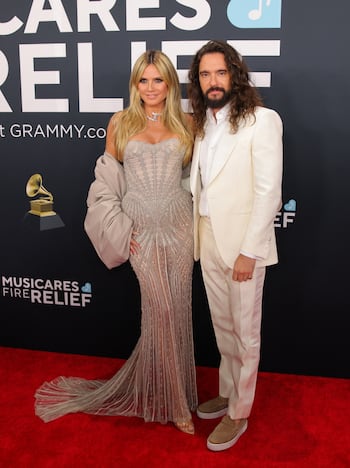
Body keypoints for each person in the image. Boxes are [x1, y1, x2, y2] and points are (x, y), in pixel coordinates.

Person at [34, 50, 197, 435]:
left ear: (170, 83)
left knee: (179, 311)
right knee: (160, 312)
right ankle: (175, 405)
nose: (151, 88)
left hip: (178, 227)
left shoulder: (188, 121)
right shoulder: (121, 121)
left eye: (159, 80)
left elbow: (198, 179)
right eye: (144, 80)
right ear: (135, 84)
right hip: (140, 228)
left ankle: (175, 393)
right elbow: (106, 181)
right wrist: (121, 227)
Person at [187, 40, 283, 451]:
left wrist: (251, 251)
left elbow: (268, 193)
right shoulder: (202, 123)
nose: (213, 81)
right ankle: (228, 392)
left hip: (243, 244)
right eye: (205, 74)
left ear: (235, 75)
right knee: (223, 327)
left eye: (220, 72)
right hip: (206, 236)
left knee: (246, 333)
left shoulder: (262, 121)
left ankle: (239, 413)